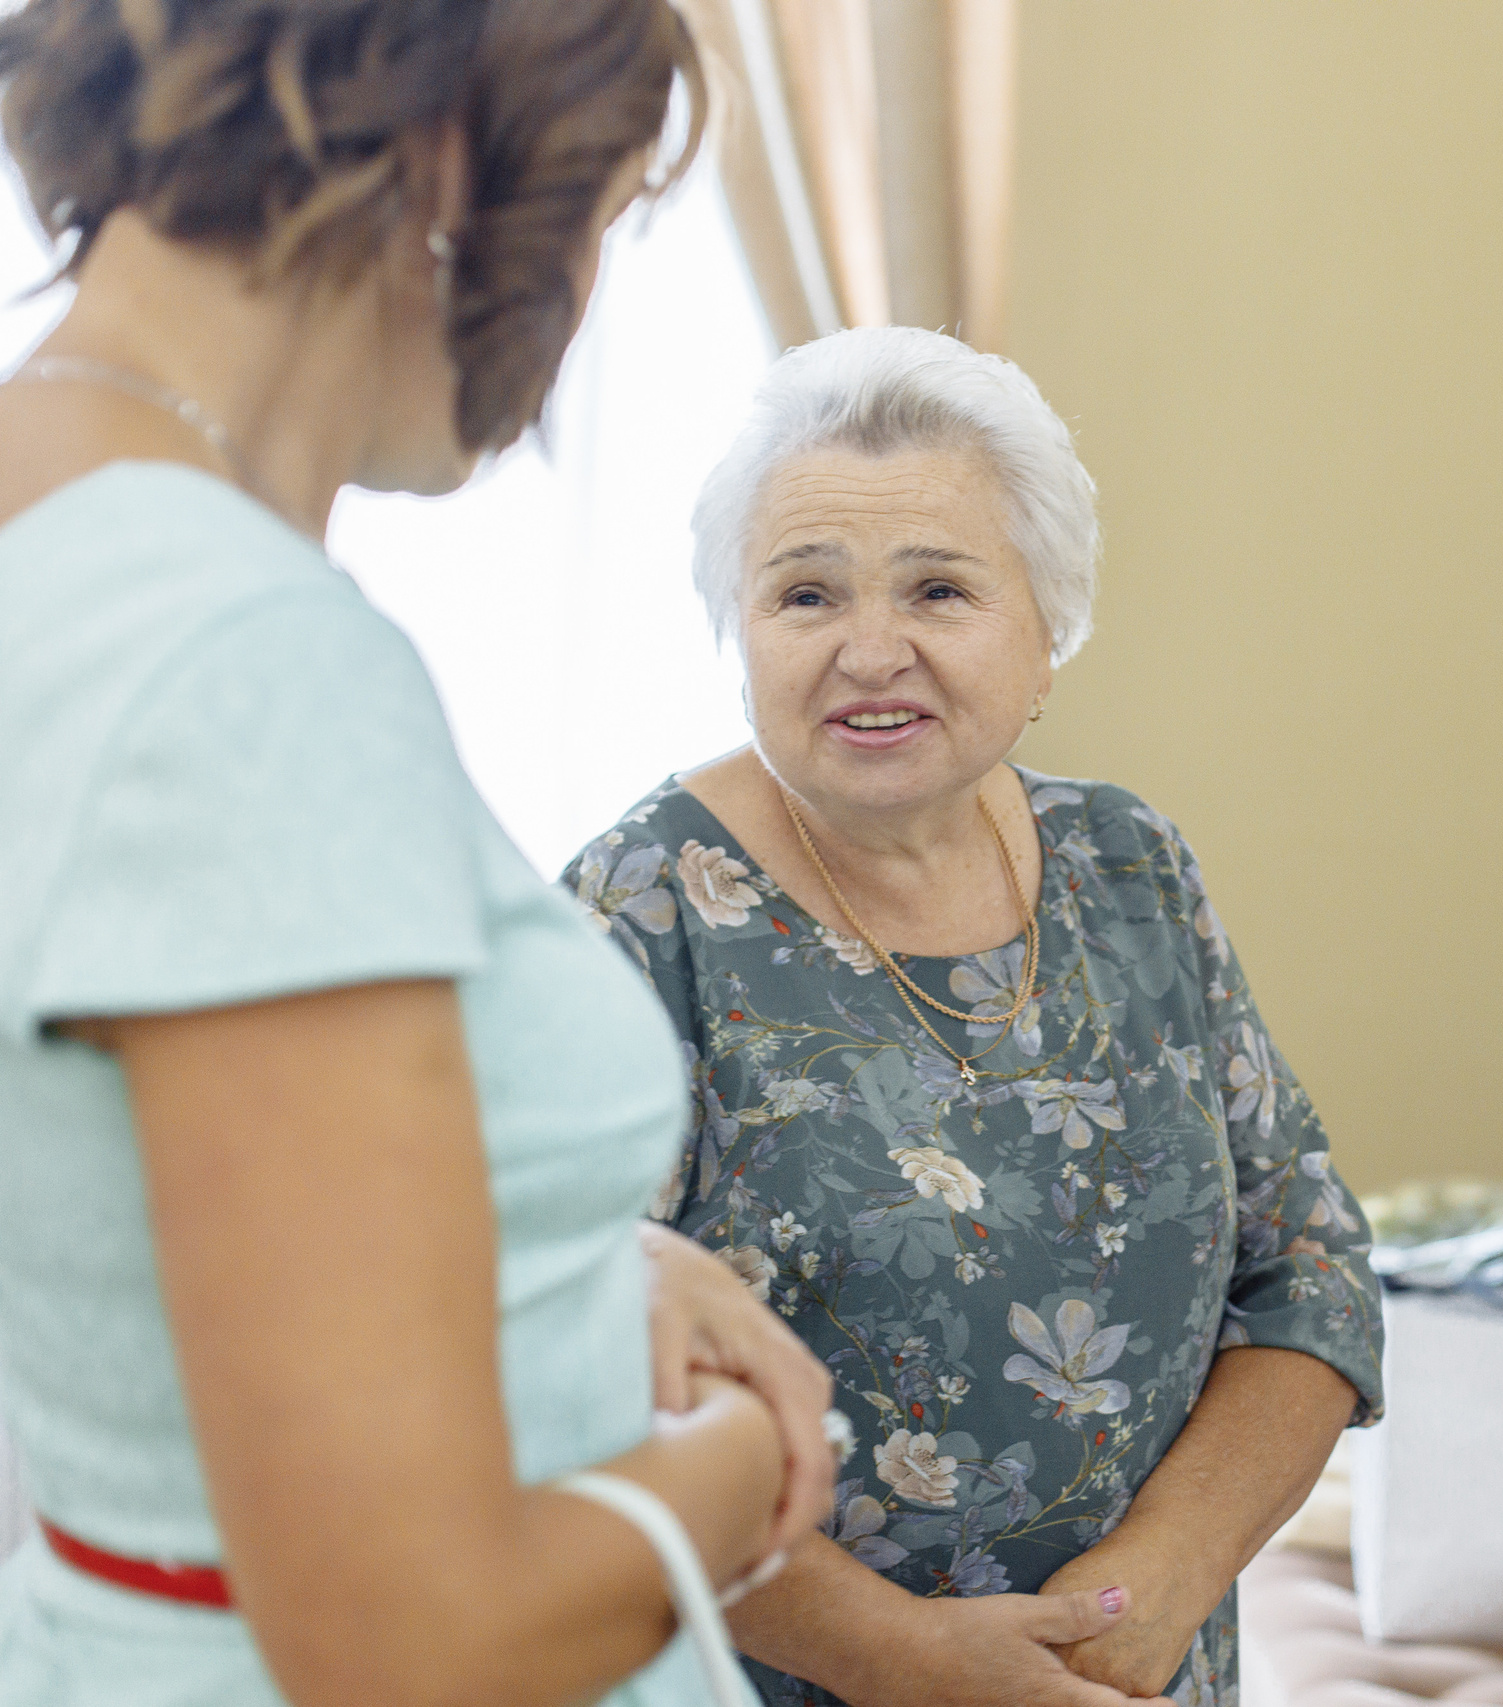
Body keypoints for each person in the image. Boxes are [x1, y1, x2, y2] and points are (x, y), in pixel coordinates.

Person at [0, 3, 985, 1702]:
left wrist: (574, 1268)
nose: (583, 305)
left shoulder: (54, 529)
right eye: (599, 214)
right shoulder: (247, 668)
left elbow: (140, 1195)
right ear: (453, 156)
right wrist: (756, 1460)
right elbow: (414, 1640)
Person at [566, 325, 1386, 1707]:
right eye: (806, 595)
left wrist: (1145, 1597)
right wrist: (911, 1664)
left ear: (1048, 631)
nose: (869, 651)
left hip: (1132, 1677)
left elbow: (1306, 1263)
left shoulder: (1133, 869)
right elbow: (560, 1380)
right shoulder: (637, 915)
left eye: (939, 591)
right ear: (740, 627)